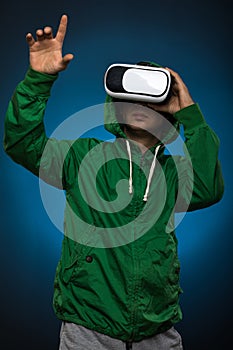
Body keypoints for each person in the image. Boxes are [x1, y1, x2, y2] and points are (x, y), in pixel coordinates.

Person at [4, 14, 224, 350]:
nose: (140, 105)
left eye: (151, 97)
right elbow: (22, 144)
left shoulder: (172, 174)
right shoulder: (82, 157)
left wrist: (190, 112)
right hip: (88, 330)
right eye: (131, 96)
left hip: (159, 331)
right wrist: (37, 80)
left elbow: (209, 188)